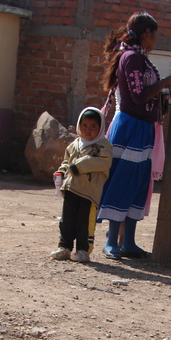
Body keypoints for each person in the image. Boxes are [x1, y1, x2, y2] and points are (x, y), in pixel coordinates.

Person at [97, 11, 171, 260]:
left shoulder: (141, 59)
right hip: (130, 127)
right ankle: (112, 241)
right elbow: (137, 96)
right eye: (154, 35)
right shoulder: (132, 58)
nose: (156, 40)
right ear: (146, 34)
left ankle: (130, 242)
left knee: (138, 183)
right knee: (123, 180)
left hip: (144, 128)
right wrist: (167, 81)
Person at [50, 107, 112, 263]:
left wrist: (78, 166)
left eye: (93, 126)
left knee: (84, 222)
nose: (88, 130)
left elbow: (102, 163)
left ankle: (83, 250)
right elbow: (66, 162)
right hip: (71, 188)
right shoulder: (75, 144)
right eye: (84, 125)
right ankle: (64, 247)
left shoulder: (103, 146)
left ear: (100, 128)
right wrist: (62, 172)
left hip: (89, 193)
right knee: (67, 220)